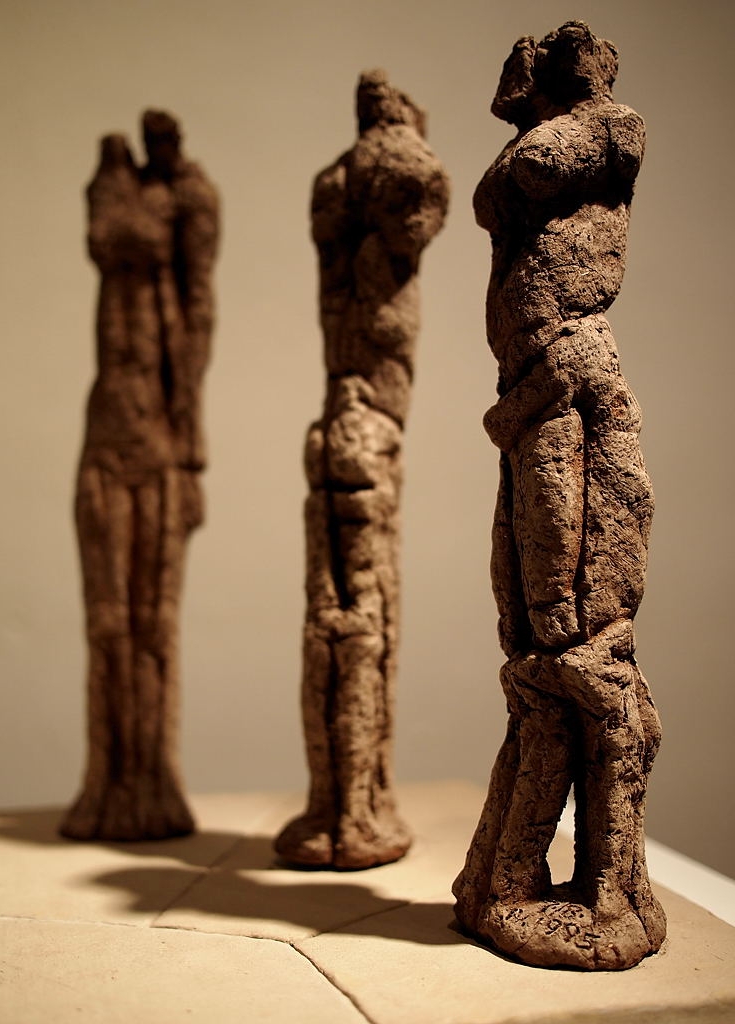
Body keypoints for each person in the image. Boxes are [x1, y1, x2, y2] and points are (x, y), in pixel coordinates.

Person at [453, 23, 666, 969]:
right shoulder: (546, 144)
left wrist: (547, 90)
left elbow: (524, 173)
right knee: (534, 643)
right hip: (532, 397)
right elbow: (491, 195)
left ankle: (610, 891)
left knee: (577, 634)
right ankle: (505, 877)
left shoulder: (609, 128)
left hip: (568, 398)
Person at [275, 72, 449, 868]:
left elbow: (416, 211)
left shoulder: (334, 186)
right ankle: (350, 808)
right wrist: (406, 136)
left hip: (351, 411)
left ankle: (349, 806)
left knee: (346, 624)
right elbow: (420, 202)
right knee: (347, 626)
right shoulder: (381, 177)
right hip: (366, 413)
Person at [61, 112, 218, 841]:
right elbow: (106, 234)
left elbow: (198, 313)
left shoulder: (188, 204)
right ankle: (108, 781)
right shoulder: (117, 183)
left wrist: (190, 451)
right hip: (108, 435)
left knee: (153, 621)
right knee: (107, 621)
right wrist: (119, 165)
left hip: (157, 441)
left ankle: (150, 780)